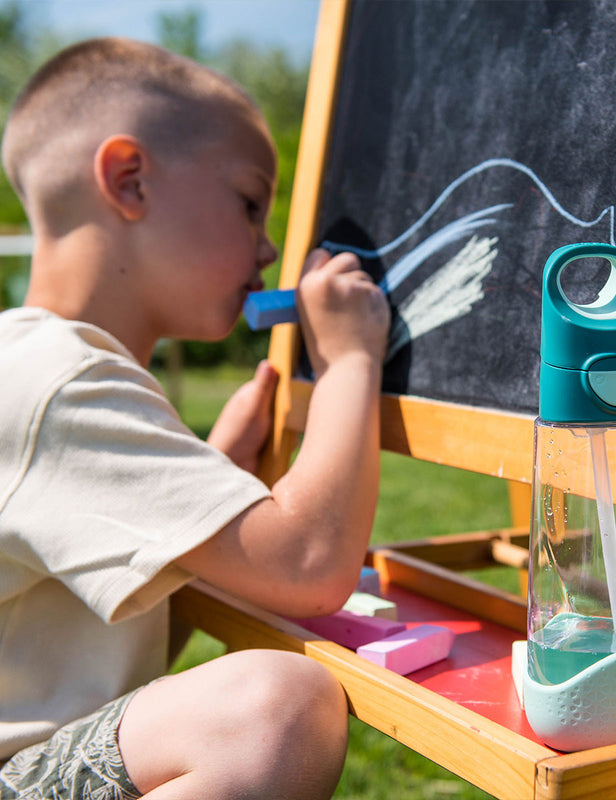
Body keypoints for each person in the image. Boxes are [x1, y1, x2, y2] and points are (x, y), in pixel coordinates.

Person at [0, 36, 389, 800]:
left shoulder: (43, 369)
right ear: (129, 179)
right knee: (275, 712)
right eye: (249, 202)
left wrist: (216, 477)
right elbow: (309, 565)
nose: (270, 244)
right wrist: (350, 362)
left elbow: (117, 653)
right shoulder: (59, 383)